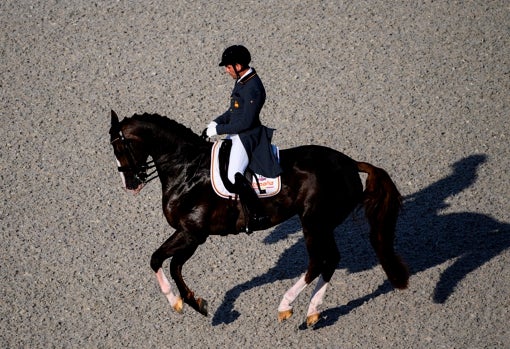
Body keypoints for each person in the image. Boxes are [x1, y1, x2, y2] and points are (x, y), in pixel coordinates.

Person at [206, 45, 281, 232]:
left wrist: (219, 129)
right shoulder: (242, 80)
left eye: (228, 67)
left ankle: (257, 215)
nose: (226, 70)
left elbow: (245, 122)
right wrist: (215, 122)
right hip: (237, 131)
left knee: (233, 175)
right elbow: (234, 111)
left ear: (238, 65)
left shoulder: (253, 87)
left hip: (247, 136)